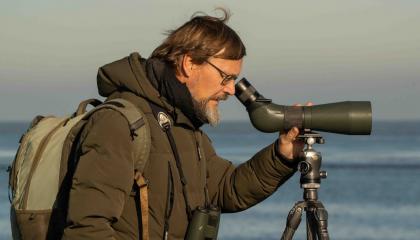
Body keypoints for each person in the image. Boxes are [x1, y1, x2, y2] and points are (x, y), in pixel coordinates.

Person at [62, 9, 304, 240]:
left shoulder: (183, 125)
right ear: (189, 64)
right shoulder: (119, 123)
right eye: (226, 78)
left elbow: (224, 189)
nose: (231, 90)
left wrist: (282, 155)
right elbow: (88, 227)